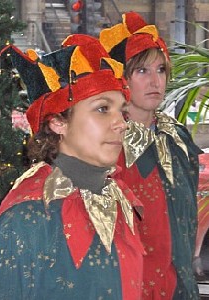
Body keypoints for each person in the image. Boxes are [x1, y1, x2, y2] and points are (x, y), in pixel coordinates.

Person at [0, 35, 145, 299]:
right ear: (58, 122)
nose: (121, 124)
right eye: (102, 109)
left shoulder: (117, 203)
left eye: (123, 112)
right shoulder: (22, 223)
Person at [100, 11, 203, 300]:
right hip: (128, 284)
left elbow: (188, 217)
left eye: (160, 70)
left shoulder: (178, 137)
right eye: (142, 71)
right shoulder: (107, 142)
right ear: (122, 77)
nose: (155, 80)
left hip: (178, 283)